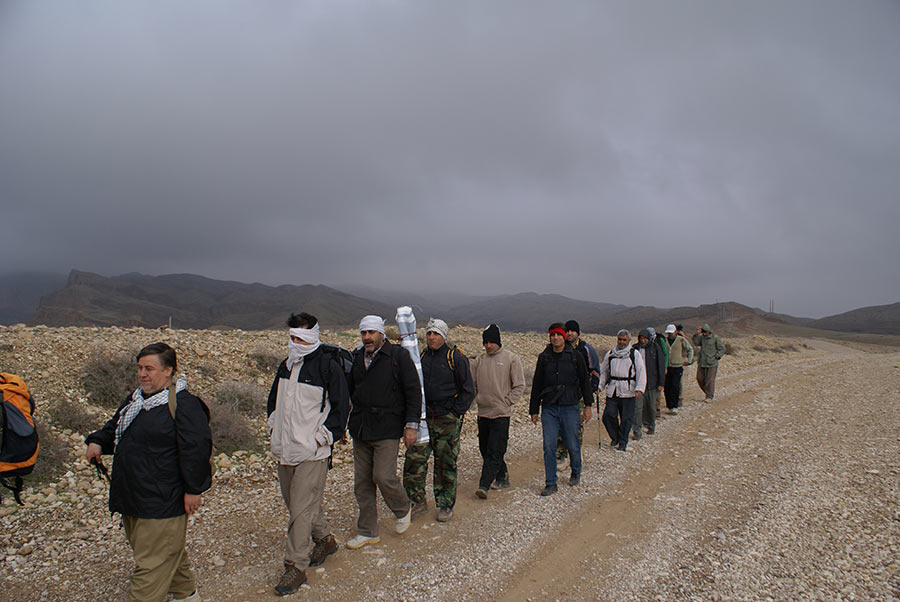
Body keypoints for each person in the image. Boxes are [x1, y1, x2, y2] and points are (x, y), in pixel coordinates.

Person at [85, 343, 211, 602]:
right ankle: (186, 595)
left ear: (168, 371)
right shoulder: (136, 400)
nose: (142, 374)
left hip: (163, 499)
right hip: (132, 495)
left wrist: (193, 489)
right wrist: (97, 441)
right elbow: (115, 427)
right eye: (140, 368)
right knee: (165, 550)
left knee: (152, 564)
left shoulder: (184, 405)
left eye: (149, 369)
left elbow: (195, 451)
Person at [266, 312, 350, 595]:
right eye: (292, 337)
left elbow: (340, 408)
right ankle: (325, 539)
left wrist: (321, 438)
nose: (296, 343)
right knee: (297, 504)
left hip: (312, 452)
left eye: (301, 338)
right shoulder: (286, 366)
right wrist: (272, 427)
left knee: (300, 508)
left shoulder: (328, 367)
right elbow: (273, 402)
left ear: (313, 337)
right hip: (284, 448)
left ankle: (295, 566)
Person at [346, 315, 421, 549]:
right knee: (362, 483)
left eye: (371, 333)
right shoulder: (356, 358)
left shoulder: (398, 356)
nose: (367, 337)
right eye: (363, 333)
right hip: (360, 428)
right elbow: (348, 393)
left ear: (381, 334)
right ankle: (368, 530)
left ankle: (402, 507)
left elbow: (413, 391)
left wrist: (411, 426)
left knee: (383, 476)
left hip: (387, 427)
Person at [404, 318, 474, 521]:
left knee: (445, 463)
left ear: (444, 336)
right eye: (429, 334)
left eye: (436, 334)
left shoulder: (456, 358)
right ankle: (416, 502)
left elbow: (468, 390)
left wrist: (455, 412)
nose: (432, 337)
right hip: (424, 420)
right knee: (414, 461)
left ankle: (445, 504)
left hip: (447, 421)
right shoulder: (422, 357)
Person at [529, 323, 593, 496]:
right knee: (549, 446)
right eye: (552, 335)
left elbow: (584, 382)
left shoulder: (575, 356)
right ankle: (551, 482)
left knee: (572, 443)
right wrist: (533, 409)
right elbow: (537, 384)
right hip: (549, 407)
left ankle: (576, 470)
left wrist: (588, 405)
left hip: (570, 406)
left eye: (558, 334)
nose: (555, 337)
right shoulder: (544, 358)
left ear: (564, 336)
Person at [470, 324, 525, 498]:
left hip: (501, 414)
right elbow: (473, 384)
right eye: (485, 342)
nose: (487, 345)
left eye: (491, 342)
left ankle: (484, 485)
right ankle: (502, 475)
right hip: (483, 412)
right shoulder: (479, 360)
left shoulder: (511, 359)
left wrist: (507, 402)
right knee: (485, 449)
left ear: (498, 341)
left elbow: (519, 385)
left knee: (495, 449)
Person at [556, 320, 600, 469]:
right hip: (562, 395)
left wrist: (591, 390)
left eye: (572, 331)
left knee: (576, 426)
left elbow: (595, 371)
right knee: (560, 425)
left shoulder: (586, 349)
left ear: (578, 333)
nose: (569, 334)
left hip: (580, 395)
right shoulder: (560, 348)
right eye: (567, 331)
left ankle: (574, 454)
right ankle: (561, 455)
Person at [599, 330, 646, 452]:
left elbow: (641, 371)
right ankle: (615, 437)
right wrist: (600, 386)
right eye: (619, 339)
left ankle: (622, 442)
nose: (621, 342)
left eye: (624, 340)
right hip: (613, 389)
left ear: (629, 341)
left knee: (626, 418)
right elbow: (604, 372)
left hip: (628, 390)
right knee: (608, 415)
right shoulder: (610, 354)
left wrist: (639, 388)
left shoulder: (634, 354)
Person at [633, 329, 665, 439]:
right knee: (637, 408)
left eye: (645, 338)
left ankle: (651, 425)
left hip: (652, 383)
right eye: (641, 338)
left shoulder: (655, 348)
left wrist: (661, 382)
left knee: (651, 406)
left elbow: (660, 365)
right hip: (638, 384)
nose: (643, 340)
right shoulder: (635, 348)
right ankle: (637, 430)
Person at [663, 323, 693, 414]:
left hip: (677, 367)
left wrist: (689, 360)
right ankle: (669, 405)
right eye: (669, 333)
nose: (670, 334)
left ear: (676, 332)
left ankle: (674, 406)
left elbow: (690, 349)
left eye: (671, 332)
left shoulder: (681, 340)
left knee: (675, 386)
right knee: (667, 387)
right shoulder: (664, 341)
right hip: (667, 367)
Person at [692, 323, 726, 401]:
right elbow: (696, 343)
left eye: (705, 332)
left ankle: (709, 396)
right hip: (702, 362)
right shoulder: (701, 338)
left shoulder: (715, 338)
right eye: (703, 332)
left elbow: (722, 349)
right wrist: (696, 334)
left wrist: (717, 356)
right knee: (699, 378)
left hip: (712, 362)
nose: (704, 333)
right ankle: (708, 392)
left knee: (709, 380)